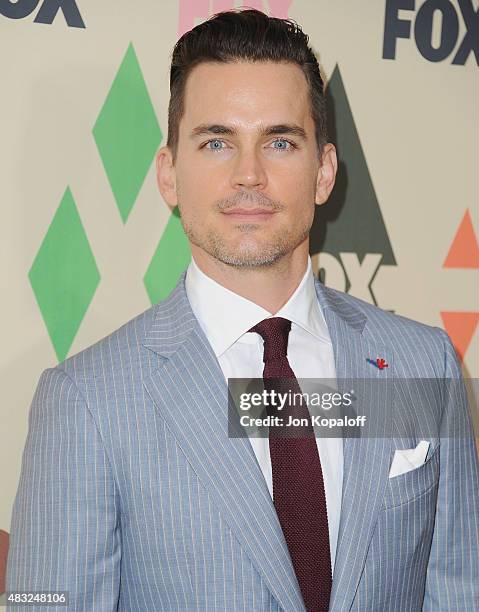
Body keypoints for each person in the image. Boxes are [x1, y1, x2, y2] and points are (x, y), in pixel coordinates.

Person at [6, 8, 479, 611]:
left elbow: (461, 591)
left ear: (325, 171)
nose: (249, 174)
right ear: (169, 174)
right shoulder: (87, 402)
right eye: (216, 142)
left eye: (280, 141)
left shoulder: (422, 365)